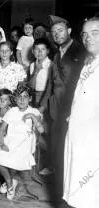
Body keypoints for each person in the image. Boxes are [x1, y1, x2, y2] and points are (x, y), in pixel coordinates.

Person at [39, 15, 86, 204]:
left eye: (60, 30)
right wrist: (40, 108)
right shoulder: (57, 55)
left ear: (69, 31)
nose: (56, 34)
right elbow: (51, 84)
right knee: (58, 153)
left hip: (74, 114)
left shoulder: (82, 52)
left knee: (73, 156)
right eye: (53, 32)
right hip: (56, 113)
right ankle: (62, 195)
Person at [62, 17, 99, 208]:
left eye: (95, 32)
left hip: (93, 139)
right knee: (78, 189)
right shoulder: (88, 62)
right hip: (78, 133)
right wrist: (74, 113)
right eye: (84, 34)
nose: (88, 38)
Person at [0, 85, 44, 200]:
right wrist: (2, 144)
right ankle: (10, 183)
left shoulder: (33, 111)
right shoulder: (12, 111)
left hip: (25, 142)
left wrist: (32, 116)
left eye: (25, 97)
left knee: (14, 161)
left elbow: (41, 129)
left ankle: (9, 183)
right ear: (15, 99)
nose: (22, 100)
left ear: (30, 98)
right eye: (19, 97)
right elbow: (1, 130)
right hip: (10, 140)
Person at [28, 38, 53, 106]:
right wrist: (36, 71)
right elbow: (31, 86)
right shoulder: (32, 65)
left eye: (43, 49)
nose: (39, 52)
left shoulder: (51, 65)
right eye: (37, 49)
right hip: (34, 96)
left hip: (46, 97)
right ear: (33, 51)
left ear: (48, 51)